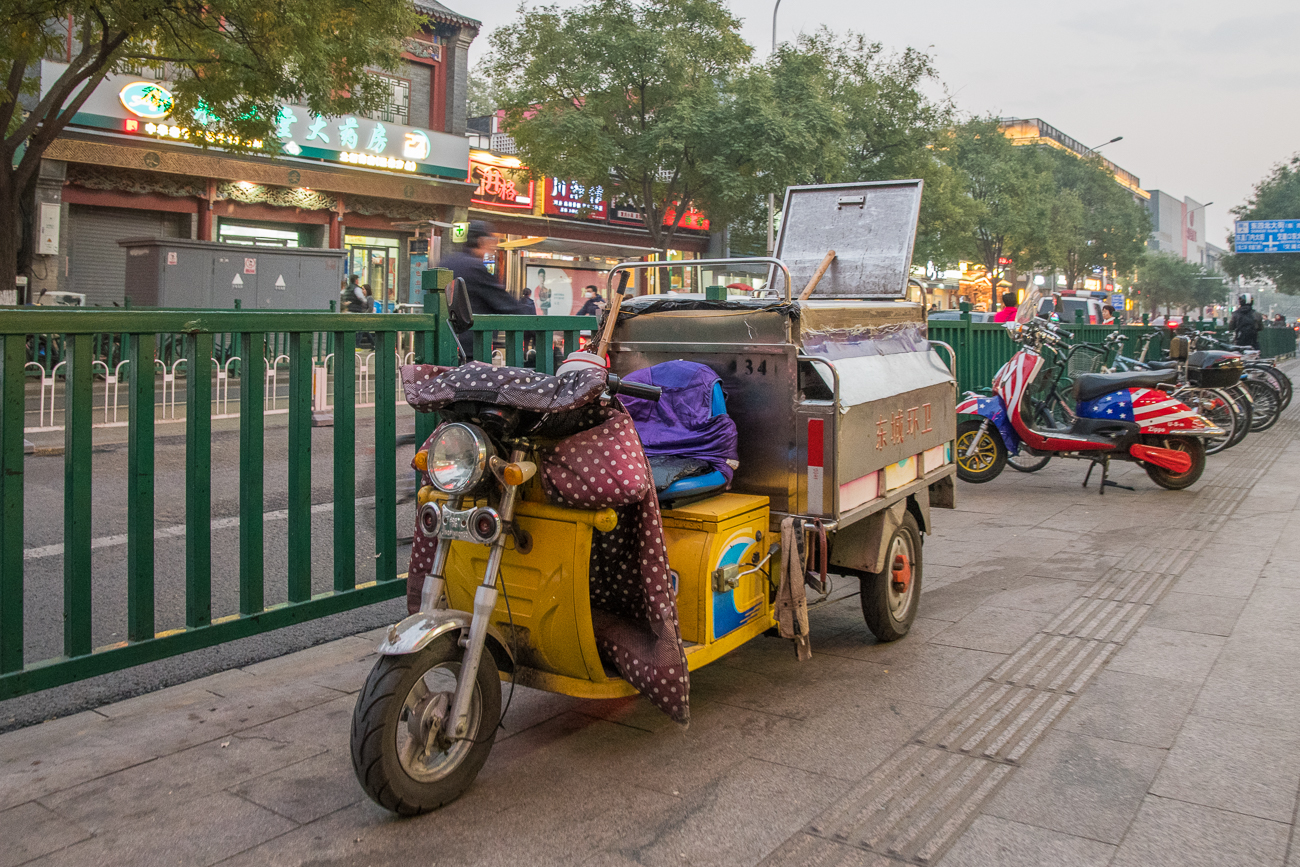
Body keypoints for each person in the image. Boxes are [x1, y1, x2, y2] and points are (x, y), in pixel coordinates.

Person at [439, 220, 536, 357]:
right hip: (471, 346)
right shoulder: (475, 268)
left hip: (444, 342)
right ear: (482, 241)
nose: (493, 246)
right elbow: (504, 304)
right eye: (492, 241)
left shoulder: (447, 262)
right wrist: (535, 325)